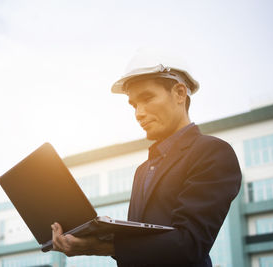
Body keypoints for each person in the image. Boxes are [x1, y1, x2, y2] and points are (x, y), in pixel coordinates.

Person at [51, 61, 242, 267]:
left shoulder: (212, 152)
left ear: (179, 93)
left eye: (147, 98)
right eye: (134, 105)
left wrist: (102, 247)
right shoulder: (143, 170)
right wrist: (105, 234)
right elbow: (144, 244)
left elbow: (189, 244)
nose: (138, 113)